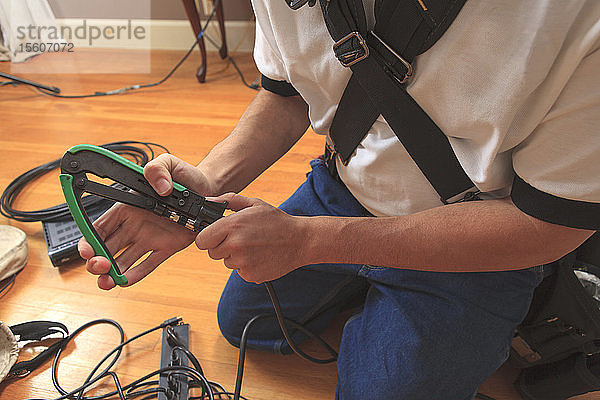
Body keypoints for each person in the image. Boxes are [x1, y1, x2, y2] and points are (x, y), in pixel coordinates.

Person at [79, 0, 600, 398]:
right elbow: (286, 94)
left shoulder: (572, 18)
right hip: (342, 187)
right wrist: (208, 183)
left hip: (478, 230)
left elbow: (549, 225)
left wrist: (310, 242)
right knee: (240, 323)